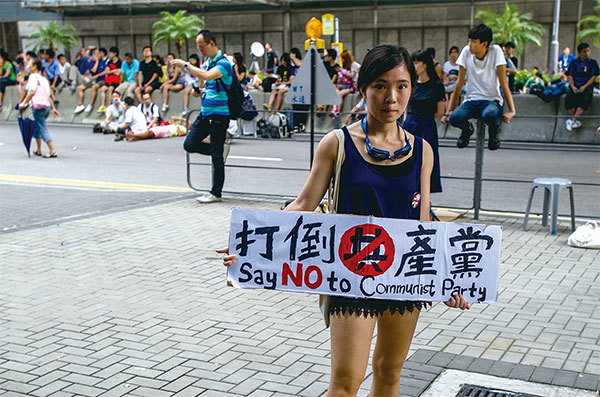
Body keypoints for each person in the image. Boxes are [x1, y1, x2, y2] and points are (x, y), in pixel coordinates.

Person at [219, 44, 469, 396]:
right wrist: (251, 243)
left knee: (389, 372)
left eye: (401, 86)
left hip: (405, 279)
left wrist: (450, 277)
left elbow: (424, 219)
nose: (391, 97)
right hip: (351, 277)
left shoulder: (423, 150)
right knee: (346, 380)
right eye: (380, 86)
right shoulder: (336, 143)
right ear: (363, 88)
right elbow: (304, 203)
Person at [171, 29, 233, 204]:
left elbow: (207, 75)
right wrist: (200, 91)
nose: (201, 51)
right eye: (198, 48)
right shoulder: (207, 62)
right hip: (205, 112)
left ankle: (216, 193)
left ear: (211, 43)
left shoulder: (224, 63)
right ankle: (220, 150)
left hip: (220, 114)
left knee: (216, 157)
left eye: (202, 47)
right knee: (189, 144)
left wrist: (185, 65)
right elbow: (206, 81)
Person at [441, 24, 516, 151]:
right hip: (471, 100)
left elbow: (504, 83)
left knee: (490, 114)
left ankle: (493, 135)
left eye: (474, 42)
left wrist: (512, 110)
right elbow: (459, 83)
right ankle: (467, 130)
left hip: (492, 100)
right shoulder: (466, 52)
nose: (470, 45)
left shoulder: (496, 51)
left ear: (484, 44)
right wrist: (450, 110)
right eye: (469, 41)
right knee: (455, 118)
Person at [404, 49, 445, 194]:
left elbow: (440, 111)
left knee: (426, 162)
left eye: (417, 62)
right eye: (413, 62)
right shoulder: (411, 83)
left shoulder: (437, 85)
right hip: (409, 124)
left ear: (425, 64)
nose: (414, 66)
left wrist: (425, 117)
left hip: (426, 126)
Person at [18, 57, 60, 157]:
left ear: (34, 66)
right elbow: (48, 95)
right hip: (45, 107)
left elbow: (31, 91)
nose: (28, 66)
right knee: (37, 127)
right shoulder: (43, 79)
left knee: (42, 127)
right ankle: (38, 149)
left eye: (29, 64)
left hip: (38, 107)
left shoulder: (33, 77)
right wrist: (53, 108)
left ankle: (52, 150)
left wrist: (24, 102)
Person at [565, 42, 599, 131]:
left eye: (588, 51)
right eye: (584, 52)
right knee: (568, 100)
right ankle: (573, 120)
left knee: (585, 100)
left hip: (586, 87)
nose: (587, 53)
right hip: (575, 86)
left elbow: (593, 76)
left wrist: (584, 86)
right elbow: (570, 76)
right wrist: (572, 86)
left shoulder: (592, 62)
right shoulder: (574, 63)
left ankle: (572, 121)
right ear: (579, 53)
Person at [330, 50, 360, 118]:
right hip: (344, 85)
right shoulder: (345, 65)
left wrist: (342, 71)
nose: (342, 60)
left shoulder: (354, 65)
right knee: (336, 92)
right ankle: (334, 109)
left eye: (343, 58)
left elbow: (352, 75)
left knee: (340, 94)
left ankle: (338, 111)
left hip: (352, 86)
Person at [74, 48, 103, 114]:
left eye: (98, 54)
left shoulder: (102, 61)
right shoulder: (92, 62)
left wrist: (97, 61)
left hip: (101, 80)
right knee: (80, 88)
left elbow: (96, 71)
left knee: (94, 87)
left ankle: (90, 105)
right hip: (92, 80)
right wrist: (96, 62)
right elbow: (93, 70)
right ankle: (80, 105)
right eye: (95, 54)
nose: (97, 55)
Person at [97, 46, 122, 113]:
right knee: (102, 89)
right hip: (109, 79)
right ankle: (103, 105)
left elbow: (118, 73)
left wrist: (113, 71)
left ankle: (109, 106)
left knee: (110, 89)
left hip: (115, 80)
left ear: (115, 53)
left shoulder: (119, 62)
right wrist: (114, 70)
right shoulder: (109, 62)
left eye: (110, 52)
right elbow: (107, 71)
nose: (109, 54)